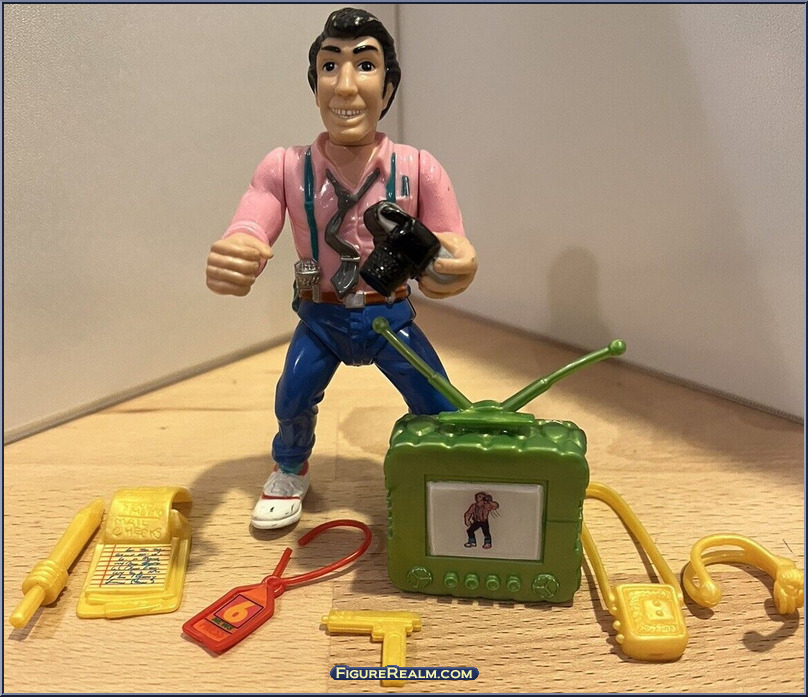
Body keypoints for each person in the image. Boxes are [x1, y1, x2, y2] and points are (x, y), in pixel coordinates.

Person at [205, 8, 478, 530]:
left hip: (388, 316)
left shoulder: (418, 168)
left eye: (365, 65)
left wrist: (454, 262)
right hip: (322, 317)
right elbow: (254, 217)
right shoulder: (285, 168)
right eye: (330, 66)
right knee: (293, 393)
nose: (346, 86)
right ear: (314, 86)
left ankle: (444, 469)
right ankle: (290, 467)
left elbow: (451, 238)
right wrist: (240, 246)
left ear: (389, 86)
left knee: (435, 395)